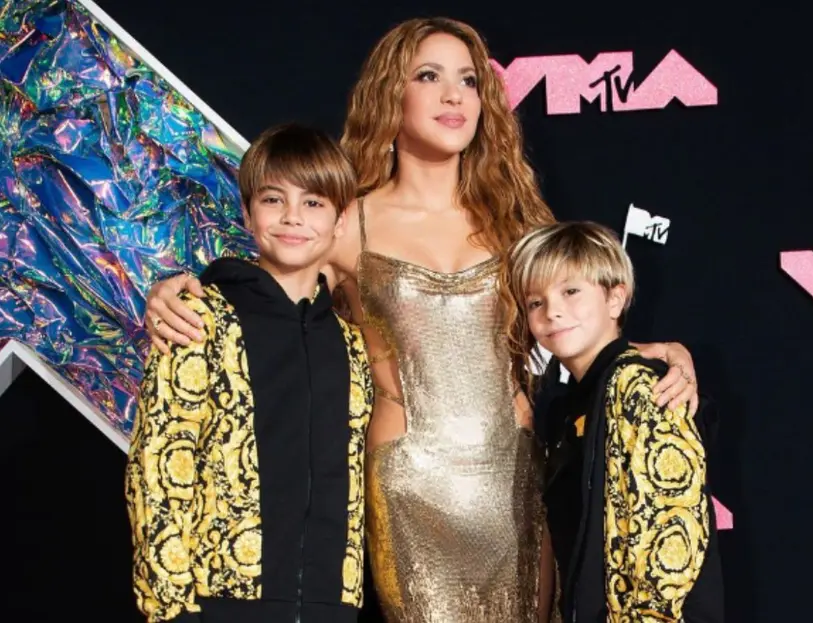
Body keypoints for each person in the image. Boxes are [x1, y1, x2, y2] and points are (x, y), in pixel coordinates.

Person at [140, 18, 700, 623]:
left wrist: (658, 355)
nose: (454, 95)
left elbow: (577, 320)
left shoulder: (517, 223)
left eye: (469, 80)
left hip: (511, 482)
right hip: (410, 485)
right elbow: (269, 294)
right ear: (391, 95)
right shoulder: (347, 222)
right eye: (429, 77)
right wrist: (179, 290)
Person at [125, 124, 374, 623]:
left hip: (330, 607)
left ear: (341, 219)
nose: (292, 217)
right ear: (247, 212)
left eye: (313, 202)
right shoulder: (199, 320)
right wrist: (172, 610)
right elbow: (157, 469)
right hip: (220, 602)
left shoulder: (350, 345)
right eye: (273, 199)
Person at [502, 221, 723, 622]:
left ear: (615, 299)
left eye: (570, 291)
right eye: (535, 302)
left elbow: (672, 543)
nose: (552, 310)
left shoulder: (643, 389)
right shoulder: (568, 408)